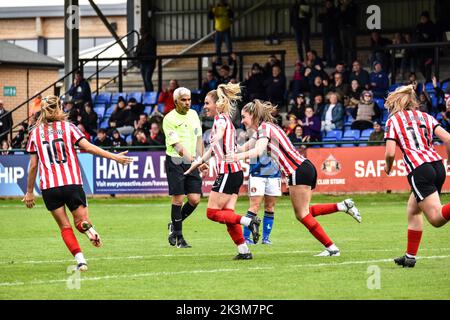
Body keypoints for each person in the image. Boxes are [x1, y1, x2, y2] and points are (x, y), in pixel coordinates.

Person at [230, 99, 361, 257]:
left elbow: (258, 151)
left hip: (297, 170)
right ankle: (342, 206)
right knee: (304, 212)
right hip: (305, 167)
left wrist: (236, 158)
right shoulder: (265, 129)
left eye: (244, 117)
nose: (242, 120)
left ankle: (332, 248)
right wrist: (226, 151)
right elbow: (243, 147)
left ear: (253, 115)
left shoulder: (264, 128)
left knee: (302, 215)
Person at [22, 95, 133, 271]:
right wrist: (115, 157)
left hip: (50, 187)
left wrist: (29, 192)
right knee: (80, 221)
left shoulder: (34, 133)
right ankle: (87, 228)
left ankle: (81, 260)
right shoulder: (69, 128)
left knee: (65, 227)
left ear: (42, 111)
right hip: (72, 183)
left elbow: (33, 166)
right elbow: (89, 147)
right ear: (59, 108)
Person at [184, 83, 261, 260]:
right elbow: (212, 151)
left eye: (207, 103)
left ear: (217, 104)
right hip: (235, 172)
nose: (204, 106)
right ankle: (244, 251)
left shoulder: (220, 121)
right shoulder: (226, 119)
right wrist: (195, 165)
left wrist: (216, 136)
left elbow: (218, 134)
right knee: (228, 215)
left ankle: (249, 221)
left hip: (227, 172)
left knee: (211, 213)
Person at [384, 85, 450, 267]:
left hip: (419, 170)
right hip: (437, 166)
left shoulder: (393, 120)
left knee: (436, 219)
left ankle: (410, 256)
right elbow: (449, 139)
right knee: (413, 209)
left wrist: (387, 167)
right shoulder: (426, 116)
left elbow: (390, 153)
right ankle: (410, 257)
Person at [163, 87, 203, 248]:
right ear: (176, 102)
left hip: (192, 161)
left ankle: (173, 225)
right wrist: (194, 159)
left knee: (195, 199)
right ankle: (179, 237)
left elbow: (199, 138)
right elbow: (178, 146)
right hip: (176, 161)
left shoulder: (194, 114)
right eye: (183, 100)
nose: (187, 103)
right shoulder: (169, 119)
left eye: (189, 99)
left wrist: (201, 159)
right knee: (178, 199)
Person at [243, 152, 282, 245]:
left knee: (270, 206)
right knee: (254, 206)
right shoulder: (254, 137)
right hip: (257, 174)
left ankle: (266, 238)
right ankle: (246, 237)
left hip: (274, 175)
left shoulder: (276, 138)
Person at [208, 0, 234, 65]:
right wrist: (210, 10)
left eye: (223, 1)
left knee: (229, 46)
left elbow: (231, 15)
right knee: (217, 46)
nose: (221, 3)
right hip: (218, 30)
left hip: (226, 30)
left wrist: (230, 8)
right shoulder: (216, 9)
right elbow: (210, 17)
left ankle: (230, 59)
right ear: (219, 2)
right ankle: (219, 60)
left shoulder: (227, 8)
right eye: (220, 2)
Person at [338, 0, 358, 67]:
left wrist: (347, 8)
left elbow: (354, 15)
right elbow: (337, 17)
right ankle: (345, 62)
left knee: (351, 46)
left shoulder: (353, 5)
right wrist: (342, 11)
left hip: (351, 28)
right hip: (343, 28)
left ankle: (352, 62)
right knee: (344, 46)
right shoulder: (340, 6)